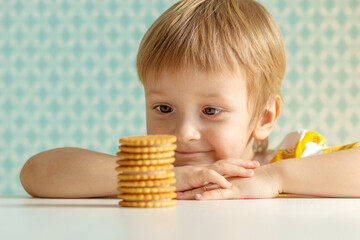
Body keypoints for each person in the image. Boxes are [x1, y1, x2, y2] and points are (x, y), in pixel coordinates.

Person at [20, 0, 360, 200]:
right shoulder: (151, 172)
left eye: (211, 111)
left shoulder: (283, 163)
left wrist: (274, 179)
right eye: (164, 108)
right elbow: (36, 173)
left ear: (264, 117)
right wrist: (162, 180)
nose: (184, 133)